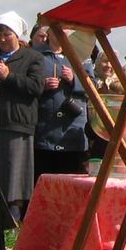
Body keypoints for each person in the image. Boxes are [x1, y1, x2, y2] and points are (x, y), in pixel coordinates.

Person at [0, 12, 45, 223]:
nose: (2, 38)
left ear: (16, 35)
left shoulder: (33, 58)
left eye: (7, 34)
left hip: (17, 123)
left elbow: (36, 87)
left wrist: (9, 76)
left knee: (15, 173)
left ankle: (13, 217)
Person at [33, 26, 89, 180]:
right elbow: (27, 84)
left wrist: (74, 80)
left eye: (65, 29)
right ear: (48, 33)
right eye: (58, 28)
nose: (62, 32)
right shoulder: (36, 56)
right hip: (45, 132)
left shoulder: (81, 57)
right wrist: (42, 85)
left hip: (73, 133)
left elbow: (94, 88)